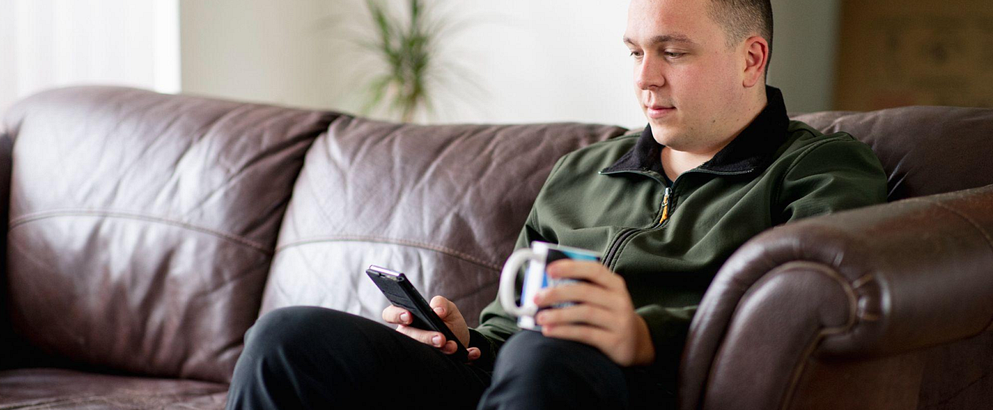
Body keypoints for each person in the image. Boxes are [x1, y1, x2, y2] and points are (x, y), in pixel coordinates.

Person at [226, 0, 887, 408]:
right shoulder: (582, 172)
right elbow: (512, 322)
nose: (644, 77)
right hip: (518, 380)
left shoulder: (818, 168)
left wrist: (641, 337)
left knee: (545, 355)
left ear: (751, 59)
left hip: (640, 389)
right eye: (634, 52)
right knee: (287, 340)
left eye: (673, 52)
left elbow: (805, 311)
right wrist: (466, 343)